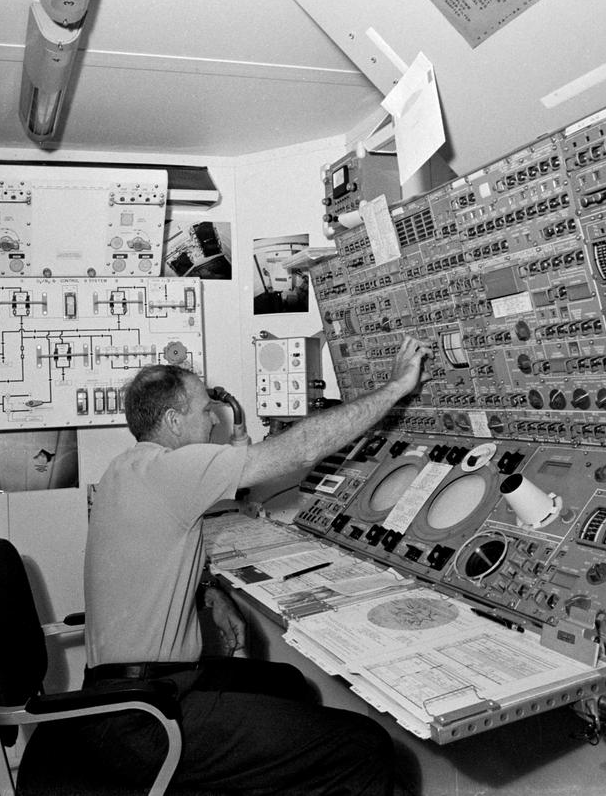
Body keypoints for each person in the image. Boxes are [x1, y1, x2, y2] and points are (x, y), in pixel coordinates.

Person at [82, 337, 428, 795]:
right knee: (363, 744)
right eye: (205, 409)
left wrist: (206, 591)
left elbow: (139, 559)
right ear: (171, 420)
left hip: (117, 697)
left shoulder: (125, 469)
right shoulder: (174, 469)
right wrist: (395, 388)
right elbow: (302, 449)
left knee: (285, 683)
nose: (213, 418)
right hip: (143, 717)